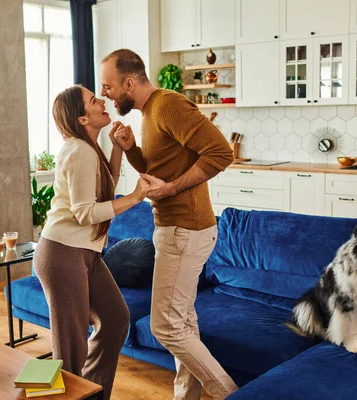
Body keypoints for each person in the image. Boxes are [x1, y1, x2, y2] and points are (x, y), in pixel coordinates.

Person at [100, 49, 238, 400]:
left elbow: (222, 153)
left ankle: (233, 394)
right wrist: (132, 149)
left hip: (185, 230)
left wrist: (172, 188)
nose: (105, 94)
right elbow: (160, 167)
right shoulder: (150, 112)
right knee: (183, 321)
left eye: (108, 86)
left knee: (164, 325)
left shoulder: (170, 105)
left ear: (129, 82)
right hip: (175, 228)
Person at [33, 85, 150, 400]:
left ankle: (90, 395)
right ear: (82, 118)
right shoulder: (79, 151)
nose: (101, 102)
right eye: (93, 100)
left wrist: (117, 148)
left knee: (115, 319)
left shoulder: (88, 147)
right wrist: (136, 198)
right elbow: (86, 213)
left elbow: (104, 188)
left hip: (85, 253)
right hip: (62, 254)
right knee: (70, 349)